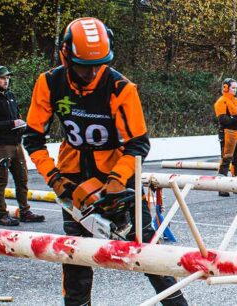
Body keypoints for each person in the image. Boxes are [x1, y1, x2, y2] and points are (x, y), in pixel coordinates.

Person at [23, 17, 187, 305]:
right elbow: (33, 139)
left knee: (147, 251)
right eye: (83, 66)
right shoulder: (49, 82)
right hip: (72, 175)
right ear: (65, 55)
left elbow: (138, 143)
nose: (91, 73)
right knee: (74, 253)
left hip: (118, 175)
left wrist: (116, 180)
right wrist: (54, 178)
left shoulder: (121, 88)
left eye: (98, 65)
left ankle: (176, 304)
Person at [0, 65, 45, 226]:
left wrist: (22, 124)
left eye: (7, 78)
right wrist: (12, 123)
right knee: (1, 182)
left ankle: (25, 211)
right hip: (1, 146)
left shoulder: (11, 96)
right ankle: (2, 214)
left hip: (17, 144)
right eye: (3, 78)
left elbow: (16, 116)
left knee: (22, 179)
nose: (6, 80)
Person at [214, 77, 237, 197]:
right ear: (226, 88)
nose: (235, 90)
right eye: (233, 88)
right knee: (226, 159)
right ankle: (222, 187)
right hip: (227, 133)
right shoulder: (221, 101)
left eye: (236, 88)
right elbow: (223, 119)